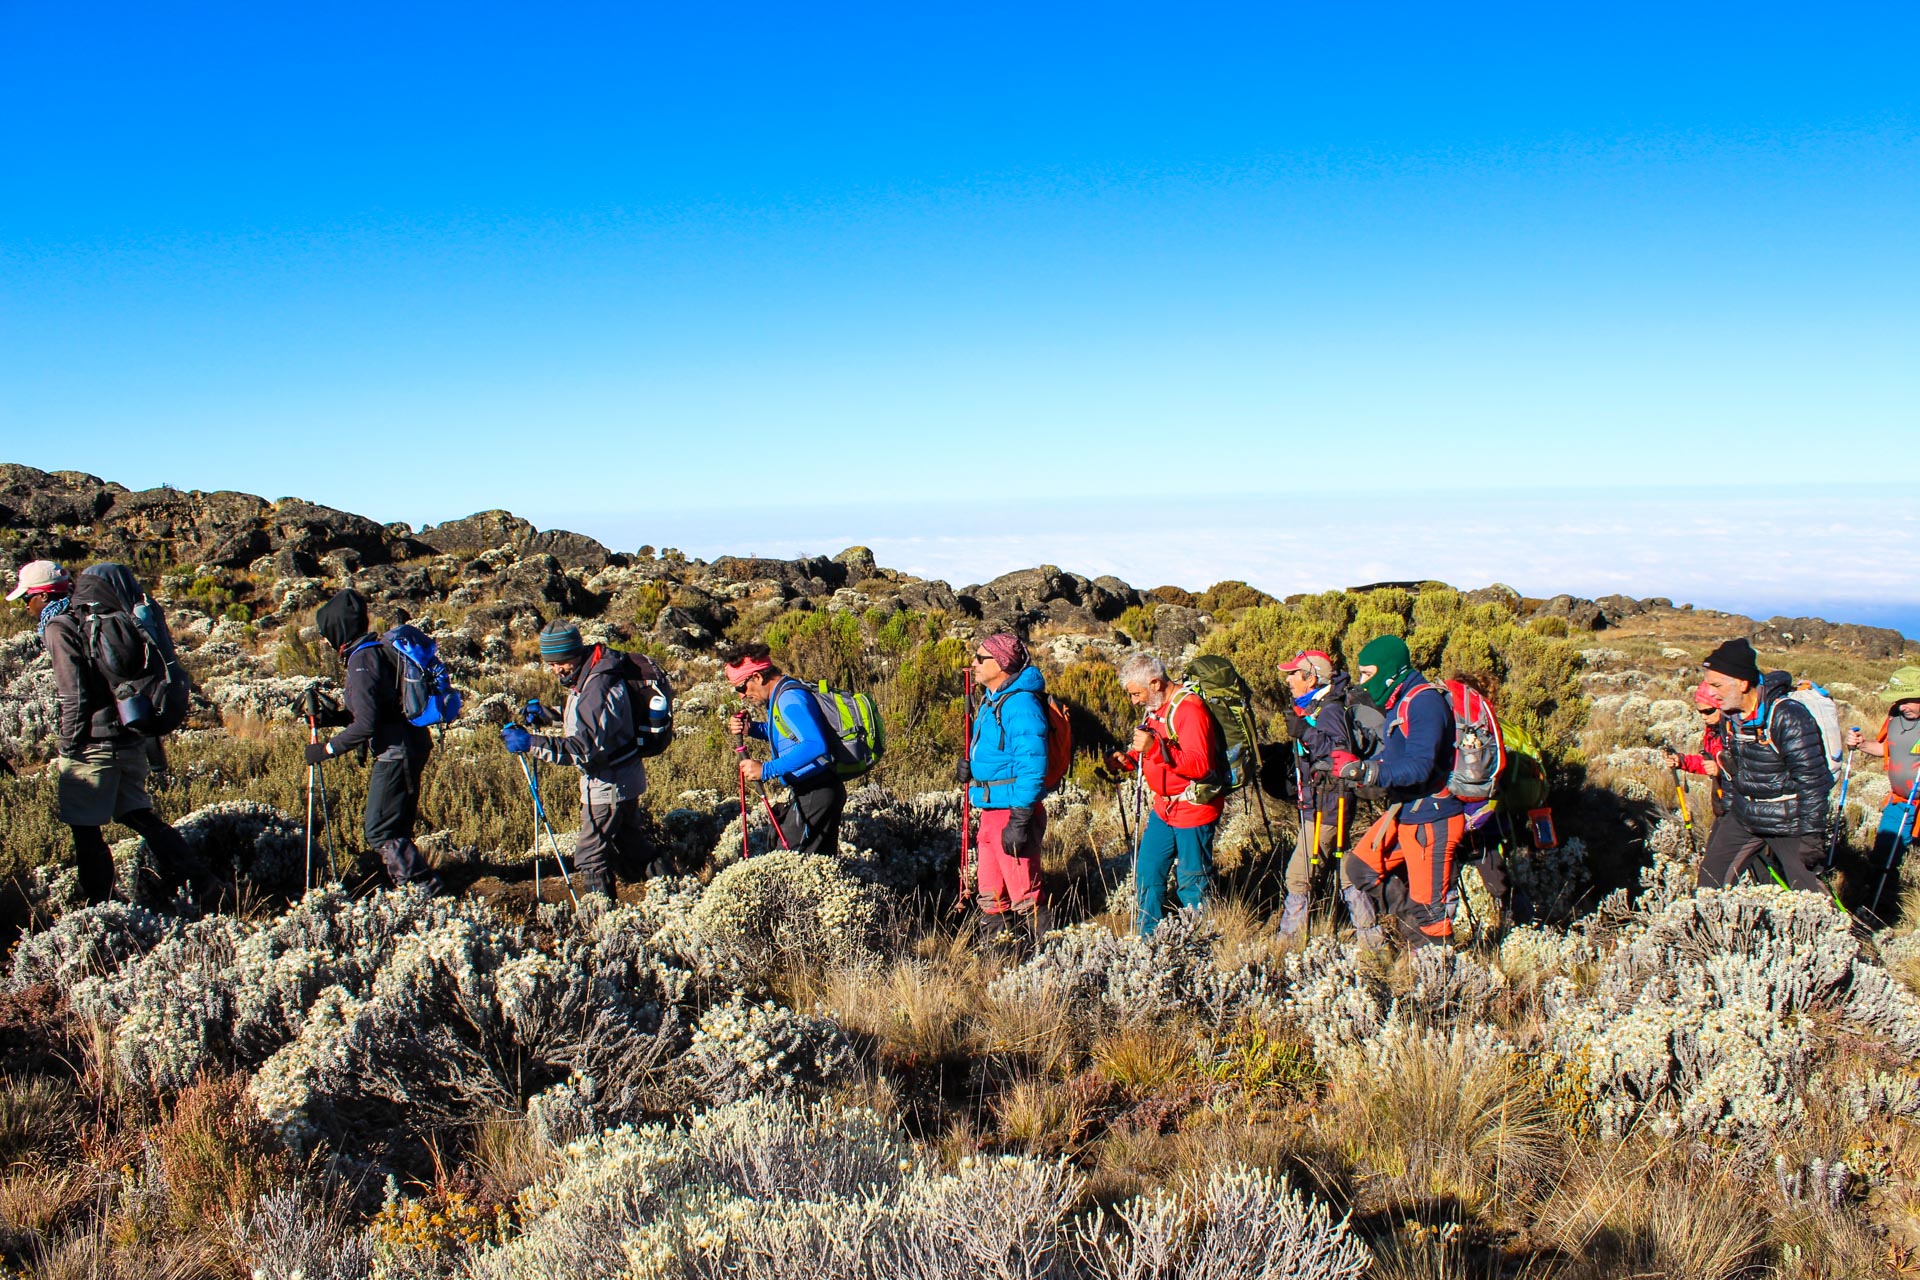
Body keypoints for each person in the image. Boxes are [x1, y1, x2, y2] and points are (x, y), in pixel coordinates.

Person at [19, 560, 192, 903]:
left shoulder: (59, 626)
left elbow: (75, 694)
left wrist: (68, 745)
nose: (26, 606)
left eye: (28, 598)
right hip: (129, 733)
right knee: (139, 816)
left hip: (94, 743)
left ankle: (100, 906)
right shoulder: (91, 615)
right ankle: (201, 881)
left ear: (42, 595)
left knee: (84, 829)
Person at [501, 621, 657, 899]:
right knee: (631, 843)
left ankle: (601, 916)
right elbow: (593, 718)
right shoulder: (592, 672)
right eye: (551, 664)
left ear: (575, 653)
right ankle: (672, 886)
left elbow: (582, 749)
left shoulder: (597, 684)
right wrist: (551, 714)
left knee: (590, 856)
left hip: (608, 783)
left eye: (560, 662)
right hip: (623, 776)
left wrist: (530, 743)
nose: (556, 670)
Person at [307, 588, 445, 893]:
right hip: (411, 743)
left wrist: (325, 749)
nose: (325, 640)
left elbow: (367, 725)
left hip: (396, 752)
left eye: (326, 633)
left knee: (380, 829)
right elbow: (378, 710)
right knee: (396, 826)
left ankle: (422, 890)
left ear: (338, 629)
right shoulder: (375, 651)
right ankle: (416, 887)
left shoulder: (361, 661)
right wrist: (334, 718)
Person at [1336, 635, 1464, 949]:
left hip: (1432, 817)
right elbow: (1396, 756)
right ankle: (1415, 935)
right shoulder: (1399, 701)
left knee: (1430, 911)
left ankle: (1436, 965)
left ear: (1390, 671)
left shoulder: (1423, 702)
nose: (1363, 682)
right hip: (1406, 811)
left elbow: (1420, 766)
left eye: (1368, 673)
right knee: (1360, 867)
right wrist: (1364, 767)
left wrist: (1373, 773)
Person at [1696, 638, 1828, 893]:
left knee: (1810, 896)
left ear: (1742, 683)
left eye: (1717, 685)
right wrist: (1728, 810)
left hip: (1787, 822)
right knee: (1709, 885)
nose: (1711, 693)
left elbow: (1812, 781)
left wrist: (1812, 836)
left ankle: (1840, 922)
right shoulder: (1730, 718)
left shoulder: (1788, 716)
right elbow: (1733, 769)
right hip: (1744, 816)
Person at [1105, 653, 1225, 935]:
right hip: (1164, 809)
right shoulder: (1155, 708)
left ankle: (1199, 938)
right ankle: (1148, 939)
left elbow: (1200, 765)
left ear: (1155, 683)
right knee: (1148, 871)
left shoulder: (1190, 710)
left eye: (1136, 694)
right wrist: (1128, 760)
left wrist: (1154, 750)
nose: (1134, 701)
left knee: (1192, 879)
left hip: (1193, 808)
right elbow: (1151, 750)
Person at [964, 632, 1051, 949]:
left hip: (1011, 810)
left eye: (980, 658)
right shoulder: (992, 700)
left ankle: (1047, 956)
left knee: (1024, 894)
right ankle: (999, 957)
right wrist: (972, 770)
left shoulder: (1020, 704)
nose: (974, 663)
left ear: (1001, 663)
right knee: (990, 892)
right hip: (991, 809)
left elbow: (1032, 764)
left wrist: (1021, 818)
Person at [725, 644, 845, 854]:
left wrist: (766, 769)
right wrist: (751, 729)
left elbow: (815, 744)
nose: (741, 696)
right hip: (818, 790)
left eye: (741, 688)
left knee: (787, 859)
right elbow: (786, 733)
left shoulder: (789, 698)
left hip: (815, 792)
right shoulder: (783, 692)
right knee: (818, 861)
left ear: (757, 677)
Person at [1276, 650, 1360, 944]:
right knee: (1348, 875)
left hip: (1328, 804)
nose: (1288, 680)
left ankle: (1289, 944)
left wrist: (1304, 732)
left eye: (1293, 674)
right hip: (1325, 802)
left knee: (1298, 877)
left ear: (1311, 678)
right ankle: (1371, 939)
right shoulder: (1316, 707)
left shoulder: (1329, 710)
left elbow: (1341, 755)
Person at [1846, 665, 1920, 887]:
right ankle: (1880, 896)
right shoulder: (1894, 717)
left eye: (1907, 700)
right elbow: (1885, 748)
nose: (1902, 706)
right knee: (1883, 856)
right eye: (1898, 700)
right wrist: (1861, 744)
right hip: (1900, 801)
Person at [1664, 680, 1729, 821]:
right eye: (1700, 712)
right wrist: (1681, 761)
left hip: (1741, 805)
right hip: (1722, 802)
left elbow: (1750, 769)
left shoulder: (1738, 732)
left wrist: (1721, 771)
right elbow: (1708, 763)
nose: (1703, 717)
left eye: (1709, 711)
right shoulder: (1712, 731)